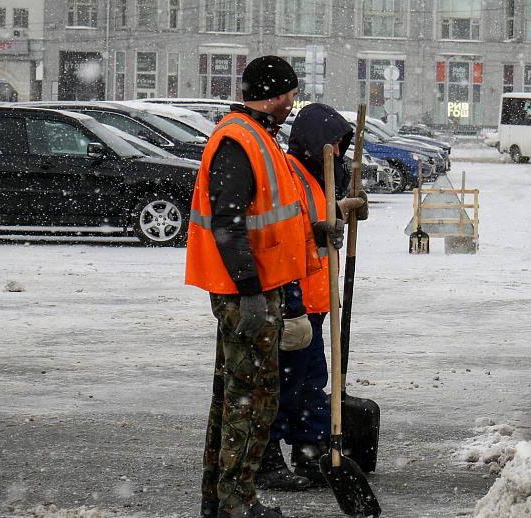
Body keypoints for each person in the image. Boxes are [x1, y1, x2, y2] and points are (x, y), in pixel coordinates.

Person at [187, 55, 341, 518]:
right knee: (248, 398)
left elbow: (268, 223)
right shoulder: (238, 140)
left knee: (240, 395)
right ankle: (236, 503)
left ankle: (221, 501)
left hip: (258, 288)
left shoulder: (259, 138)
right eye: (291, 92)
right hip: (245, 294)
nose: (294, 101)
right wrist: (250, 290)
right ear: (273, 94)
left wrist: (316, 233)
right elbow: (228, 223)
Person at [255, 103, 366, 491]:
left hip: (318, 302)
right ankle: (265, 459)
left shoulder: (317, 177)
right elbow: (289, 228)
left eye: (341, 144)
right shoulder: (291, 173)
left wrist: (340, 211)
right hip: (293, 296)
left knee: (311, 383)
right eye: (333, 144)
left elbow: (315, 217)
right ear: (314, 142)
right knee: (281, 385)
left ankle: (310, 451)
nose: (338, 152)